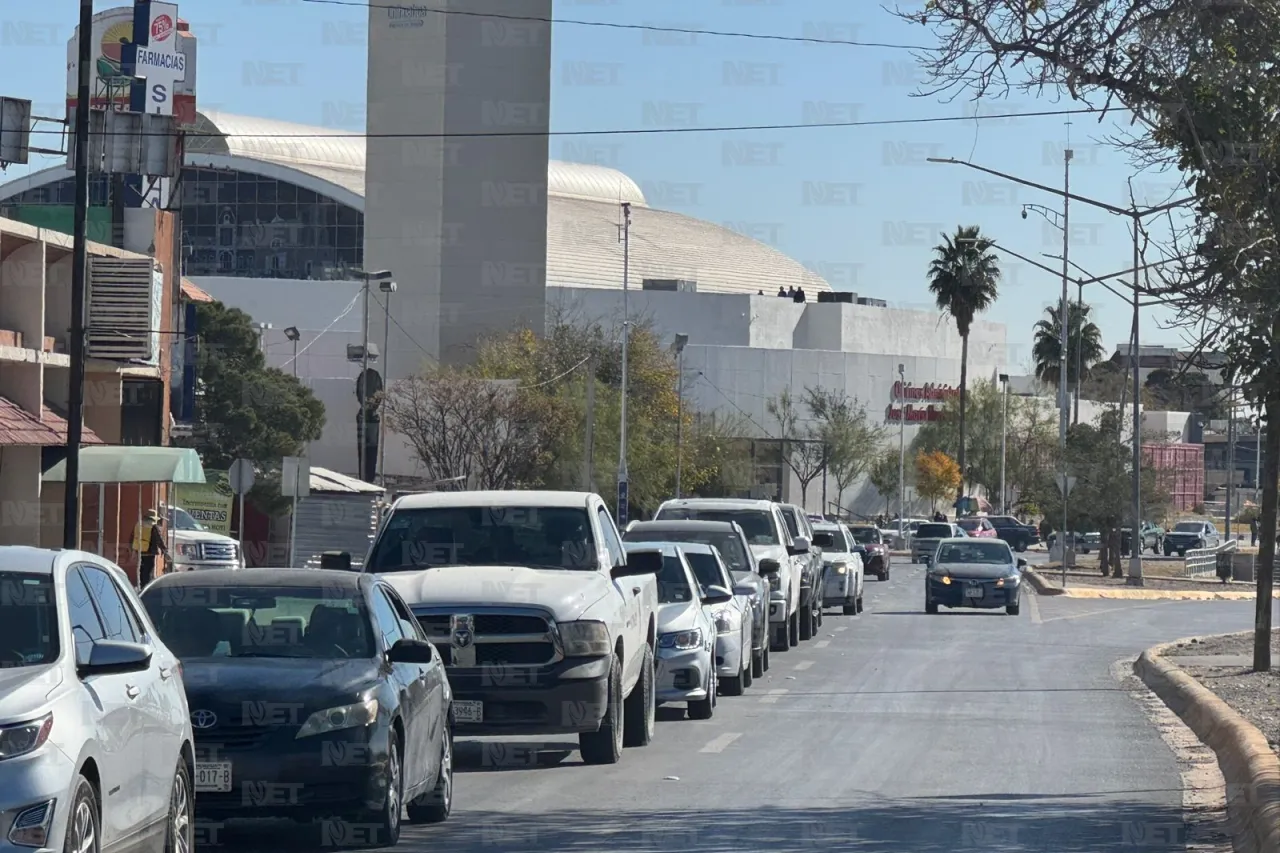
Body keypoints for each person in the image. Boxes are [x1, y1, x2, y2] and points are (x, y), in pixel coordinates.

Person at [132, 509, 168, 589]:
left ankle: (141, 586)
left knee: (142, 570)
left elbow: (133, 536)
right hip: (150, 552)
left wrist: (133, 549)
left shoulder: (139, 524)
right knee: (148, 571)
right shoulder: (153, 526)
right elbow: (159, 539)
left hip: (140, 550)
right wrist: (164, 549)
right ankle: (147, 587)